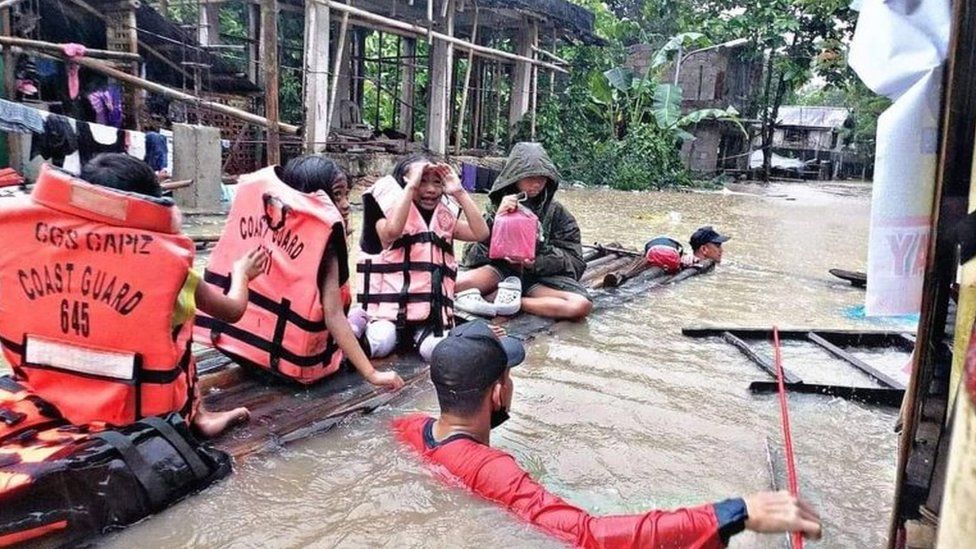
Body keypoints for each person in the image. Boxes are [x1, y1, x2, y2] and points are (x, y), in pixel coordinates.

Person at [393, 321, 824, 548]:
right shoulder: (496, 469)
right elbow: (587, 535)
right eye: (510, 377)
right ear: (499, 391)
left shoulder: (409, 429)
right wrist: (732, 512)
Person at [0, 154, 262, 438]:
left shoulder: (27, 246)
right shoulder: (168, 266)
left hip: (47, 392)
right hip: (139, 412)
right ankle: (199, 416)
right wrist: (242, 274)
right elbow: (232, 310)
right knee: (180, 324)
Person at [196, 155, 403, 390]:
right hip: (295, 366)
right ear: (313, 196)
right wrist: (373, 374)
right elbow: (333, 315)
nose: (346, 204)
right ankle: (363, 319)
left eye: (346, 194)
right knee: (370, 325)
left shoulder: (264, 218)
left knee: (358, 316)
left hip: (241, 348)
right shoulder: (325, 243)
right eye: (337, 195)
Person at [355, 154, 489, 362]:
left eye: (437, 182)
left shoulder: (444, 218)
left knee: (437, 352)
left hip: (429, 318)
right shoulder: (385, 215)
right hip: (388, 315)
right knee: (381, 343)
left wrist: (459, 192)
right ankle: (357, 323)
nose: (430, 189)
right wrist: (410, 188)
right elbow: (391, 233)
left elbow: (480, 233)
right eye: (421, 181)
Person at [455, 142, 592, 321]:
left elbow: (575, 262)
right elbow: (470, 255)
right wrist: (496, 219)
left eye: (541, 179)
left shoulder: (557, 213)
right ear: (515, 177)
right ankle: (498, 296)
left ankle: (510, 302)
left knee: (580, 306)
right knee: (450, 287)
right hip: (498, 272)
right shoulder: (497, 206)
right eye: (529, 178)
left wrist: (534, 260)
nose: (536, 184)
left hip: (537, 280)